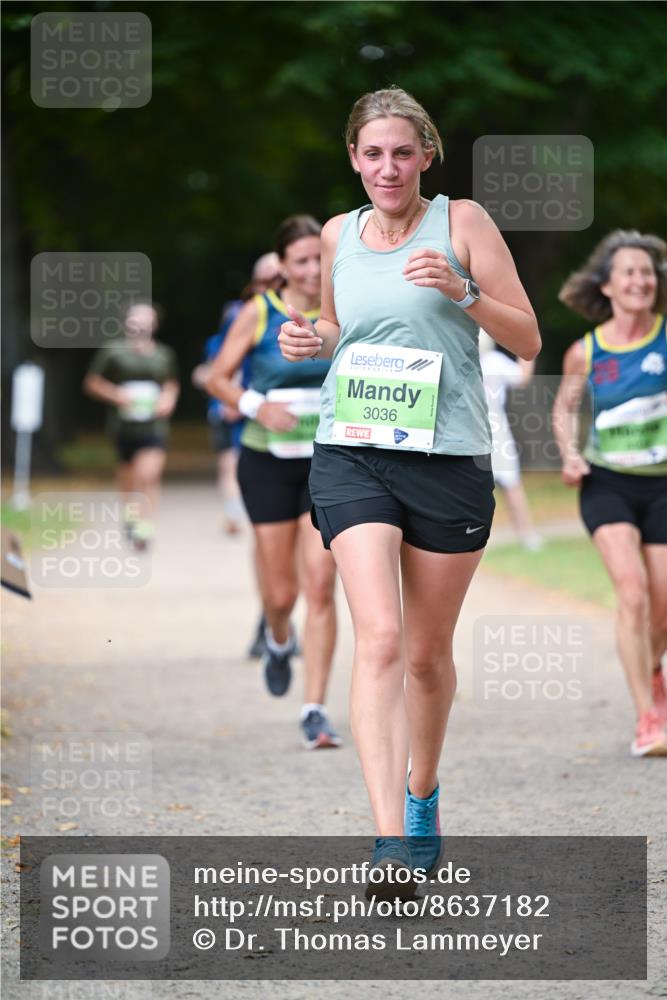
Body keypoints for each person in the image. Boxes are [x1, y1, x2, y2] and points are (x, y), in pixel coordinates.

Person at [279, 87, 540, 896]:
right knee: (381, 639)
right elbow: (336, 327)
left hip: (447, 457)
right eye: (371, 154)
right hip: (352, 450)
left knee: (426, 658)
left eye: (401, 152)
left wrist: (462, 291)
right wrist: (306, 337)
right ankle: (390, 839)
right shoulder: (335, 234)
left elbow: (527, 336)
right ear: (352, 159)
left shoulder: (461, 223)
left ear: (425, 154)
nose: (385, 168)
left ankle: (422, 791)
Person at [207, 216, 341, 750]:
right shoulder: (257, 312)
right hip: (266, 464)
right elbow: (217, 378)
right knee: (282, 594)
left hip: (330, 465)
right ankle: (279, 637)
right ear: (281, 267)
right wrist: (258, 406)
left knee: (321, 585)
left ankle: (315, 709)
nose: (312, 270)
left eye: (319, 259)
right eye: (302, 261)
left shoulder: (342, 309)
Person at [553, 230, 667, 757]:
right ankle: (649, 716)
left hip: (662, 483)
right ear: (608, 285)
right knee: (633, 591)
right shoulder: (587, 350)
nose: (641, 280)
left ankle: (649, 666)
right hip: (608, 484)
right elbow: (563, 409)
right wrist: (570, 454)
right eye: (630, 272)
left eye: (647, 272)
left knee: (662, 603)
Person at [192, 253, 283, 537]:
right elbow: (218, 366)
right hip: (239, 407)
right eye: (266, 280)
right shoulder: (243, 316)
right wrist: (230, 398)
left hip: (283, 414)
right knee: (232, 461)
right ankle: (235, 511)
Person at [83, 301, 180, 549]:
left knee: (148, 474)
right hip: (123, 426)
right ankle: (130, 516)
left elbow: (171, 383)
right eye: (136, 318)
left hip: (154, 426)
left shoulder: (164, 354)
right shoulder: (113, 352)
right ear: (127, 322)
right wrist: (117, 395)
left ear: (155, 324)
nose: (141, 323)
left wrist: (168, 399)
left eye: (146, 318)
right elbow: (92, 383)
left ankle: (145, 528)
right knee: (127, 477)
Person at [478, 329, 543, 550]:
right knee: (512, 485)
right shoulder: (494, 361)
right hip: (496, 428)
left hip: (470, 427)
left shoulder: (460, 358)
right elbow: (522, 378)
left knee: (472, 486)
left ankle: (473, 538)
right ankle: (528, 536)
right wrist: (528, 351)